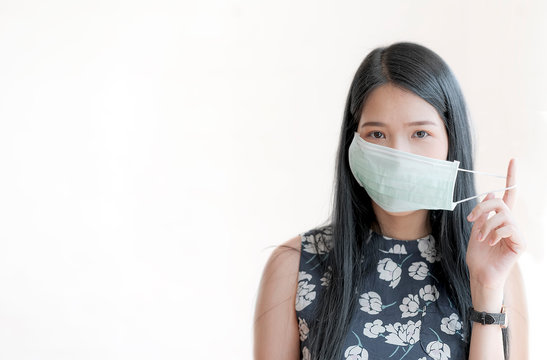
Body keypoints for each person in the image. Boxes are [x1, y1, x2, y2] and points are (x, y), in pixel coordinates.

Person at [253, 42, 528, 360]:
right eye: (377, 135)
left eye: (420, 134)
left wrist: (487, 291)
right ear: (352, 143)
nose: (398, 157)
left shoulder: (499, 271)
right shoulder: (295, 267)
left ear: (452, 141)